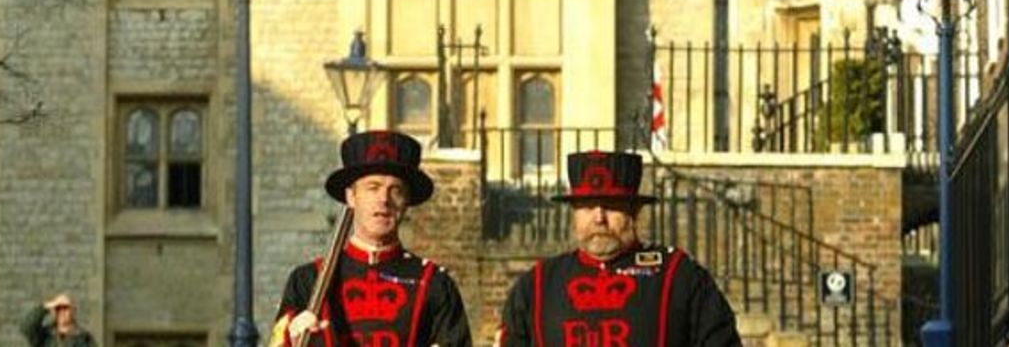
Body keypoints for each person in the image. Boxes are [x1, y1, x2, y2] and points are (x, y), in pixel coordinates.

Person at [497, 150, 742, 347]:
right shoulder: (538, 285)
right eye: (587, 206)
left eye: (611, 206)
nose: (599, 217)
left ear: (633, 211)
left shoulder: (679, 277)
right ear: (573, 213)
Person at [270, 129, 472, 347]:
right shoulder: (307, 281)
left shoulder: (434, 284)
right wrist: (290, 341)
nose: (383, 199)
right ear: (351, 196)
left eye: (395, 190)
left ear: (406, 202)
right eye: (372, 188)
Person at [20, 293, 96, 346]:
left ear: (73, 311)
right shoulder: (44, 336)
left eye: (65, 308)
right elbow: (27, 326)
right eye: (58, 308)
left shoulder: (83, 338)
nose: (61, 312)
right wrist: (46, 306)